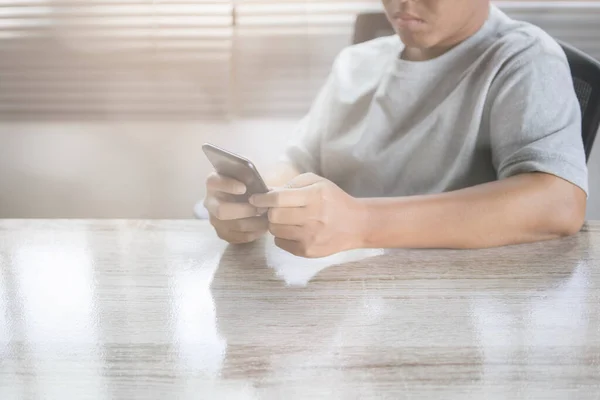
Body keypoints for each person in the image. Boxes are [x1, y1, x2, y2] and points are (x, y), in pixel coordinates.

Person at [204, 0, 588, 258]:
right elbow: (299, 162)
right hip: (346, 297)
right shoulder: (356, 62)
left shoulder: (524, 58)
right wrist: (258, 202)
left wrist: (363, 223)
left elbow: (558, 203)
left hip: (454, 303)